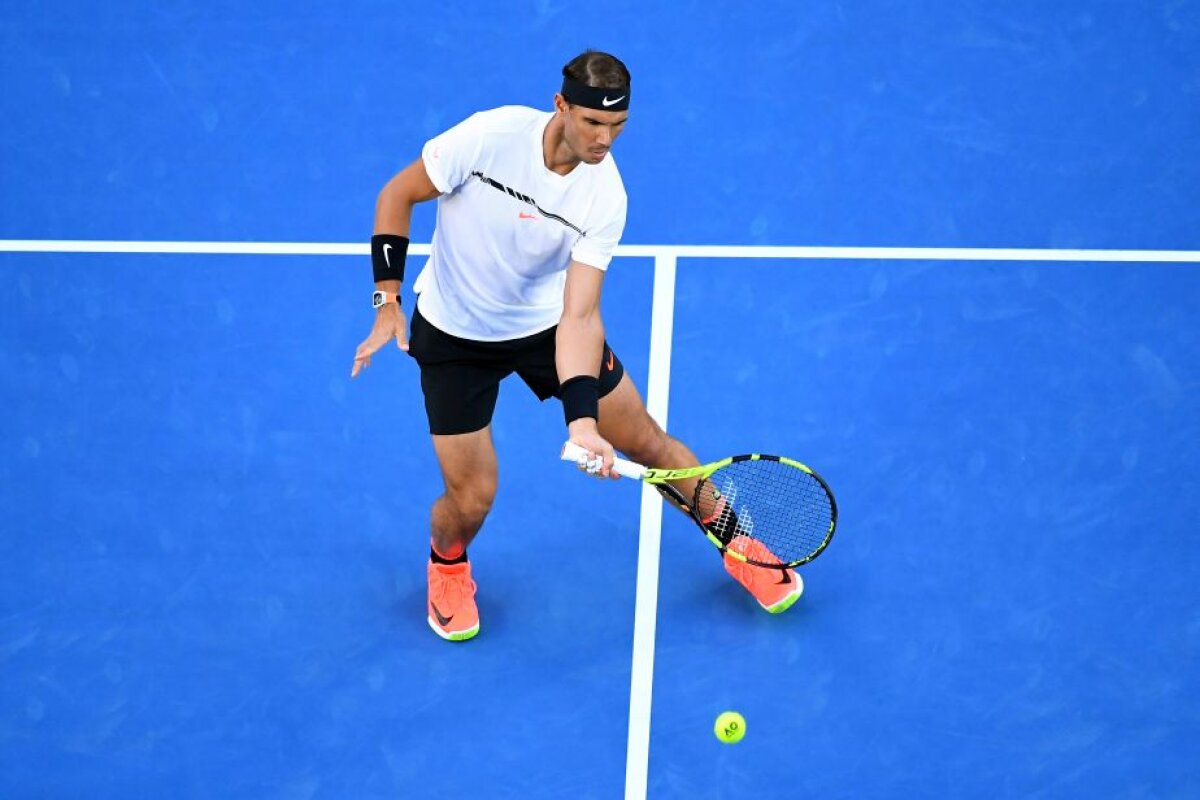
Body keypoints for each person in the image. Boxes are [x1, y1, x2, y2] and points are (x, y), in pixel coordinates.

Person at [351, 50, 802, 642]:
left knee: (646, 439)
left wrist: (582, 421)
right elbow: (396, 195)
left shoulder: (604, 196)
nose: (604, 139)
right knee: (472, 498)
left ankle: (736, 539)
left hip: (544, 327)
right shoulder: (488, 137)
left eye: (618, 126)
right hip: (455, 335)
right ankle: (448, 562)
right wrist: (387, 303)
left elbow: (581, 313)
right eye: (592, 122)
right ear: (561, 105)